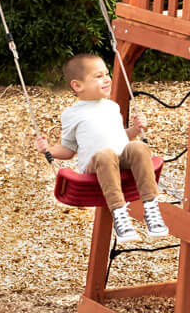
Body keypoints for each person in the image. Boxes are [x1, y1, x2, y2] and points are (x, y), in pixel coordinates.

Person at [35, 54, 168, 245]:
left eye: (107, 74)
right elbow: (68, 150)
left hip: (120, 160)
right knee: (106, 154)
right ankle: (120, 216)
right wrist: (48, 150)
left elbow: (119, 136)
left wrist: (136, 130)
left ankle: (151, 209)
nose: (107, 79)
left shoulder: (112, 107)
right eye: (98, 76)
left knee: (138, 147)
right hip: (95, 167)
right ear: (77, 86)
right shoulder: (72, 114)